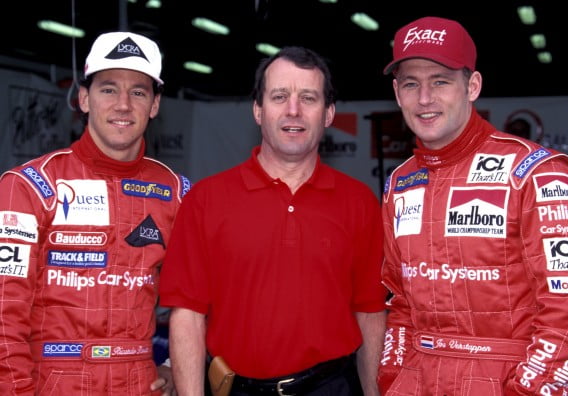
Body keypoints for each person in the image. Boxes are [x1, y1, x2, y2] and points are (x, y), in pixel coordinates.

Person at [376, 16, 568, 396]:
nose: (425, 98)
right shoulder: (400, 182)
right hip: (416, 379)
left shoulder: (534, 171)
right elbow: (399, 302)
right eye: (412, 84)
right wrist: (392, 377)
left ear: (472, 86)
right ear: (398, 94)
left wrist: (527, 390)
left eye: (441, 81)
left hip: (504, 380)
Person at [158, 46, 387, 396]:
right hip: (237, 389)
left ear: (328, 113)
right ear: (258, 110)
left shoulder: (359, 203)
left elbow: (371, 314)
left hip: (333, 387)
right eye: (279, 96)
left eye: (308, 98)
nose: (293, 110)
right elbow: (187, 316)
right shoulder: (206, 200)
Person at [0, 31, 190, 395]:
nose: (123, 104)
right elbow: (4, 314)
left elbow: (211, 295)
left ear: (154, 104)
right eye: (108, 89)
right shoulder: (28, 187)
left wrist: (173, 366)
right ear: (84, 98)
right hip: (50, 382)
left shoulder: (178, 193)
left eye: (138, 92)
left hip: (140, 381)